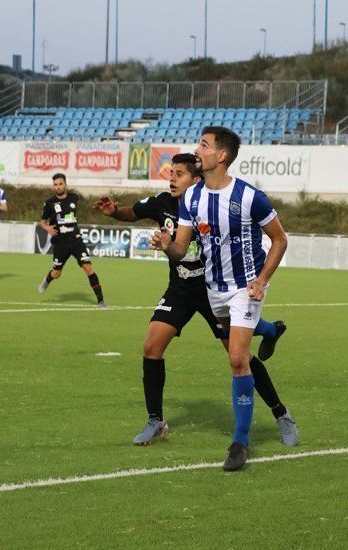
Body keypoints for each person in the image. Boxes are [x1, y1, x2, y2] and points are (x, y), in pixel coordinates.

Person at [94, 153, 294, 447]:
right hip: (180, 289)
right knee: (151, 346)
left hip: (213, 288)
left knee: (239, 357)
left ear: (196, 179)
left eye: (179, 174)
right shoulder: (162, 202)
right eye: (171, 173)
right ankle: (155, 420)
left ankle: (280, 413)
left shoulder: (211, 204)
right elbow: (132, 212)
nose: (171, 178)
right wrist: (113, 212)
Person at [151, 126, 289, 471]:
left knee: (237, 358)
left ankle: (240, 443)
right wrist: (168, 246)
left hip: (247, 287)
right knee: (239, 345)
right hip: (214, 289)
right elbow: (182, 249)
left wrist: (262, 280)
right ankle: (269, 331)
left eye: (203, 145)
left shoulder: (249, 197)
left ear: (221, 155)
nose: (197, 150)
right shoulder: (192, 198)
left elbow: (280, 240)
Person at [38, 173, 106, 307]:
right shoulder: (50, 203)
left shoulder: (74, 197)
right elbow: (42, 222)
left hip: (76, 240)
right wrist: (48, 228)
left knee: (88, 267)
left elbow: (87, 205)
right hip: (60, 242)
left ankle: (101, 301)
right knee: (56, 273)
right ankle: (47, 280)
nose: (58, 187)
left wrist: (97, 205)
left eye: (60, 184)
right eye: (55, 185)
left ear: (65, 184)